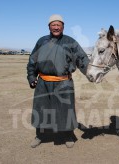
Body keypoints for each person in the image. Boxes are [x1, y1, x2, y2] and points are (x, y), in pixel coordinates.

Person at [27, 14, 90, 148]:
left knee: (65, 110)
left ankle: (68, 135)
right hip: (43, 82)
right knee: (42, 110)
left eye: (58, 25)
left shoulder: (70, 42)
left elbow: (82, 59)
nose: (56, 27)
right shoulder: (41, 41)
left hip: (64, 82)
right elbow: (32, 60)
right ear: (49, 26)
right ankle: (40, 135)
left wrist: (91, 73)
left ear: (63, 27)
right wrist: (32, 77)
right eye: (53, 25)